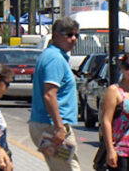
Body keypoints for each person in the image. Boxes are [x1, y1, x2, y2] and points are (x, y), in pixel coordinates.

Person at [29, 17, 81, 171]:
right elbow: (49, 95)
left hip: (48, 124)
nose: (73, 39)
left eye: (77, 35)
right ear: (56, 35)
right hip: (52, 126)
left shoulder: (54, 56)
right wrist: (59, 127)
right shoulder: (55, 59)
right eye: (69, 35)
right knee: (70, 168)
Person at [98, 52, 129, 171]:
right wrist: (110, 150)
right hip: (121, 152)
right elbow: (106, 121)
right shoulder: (115, 91)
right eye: (128, 67)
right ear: (122, 68)